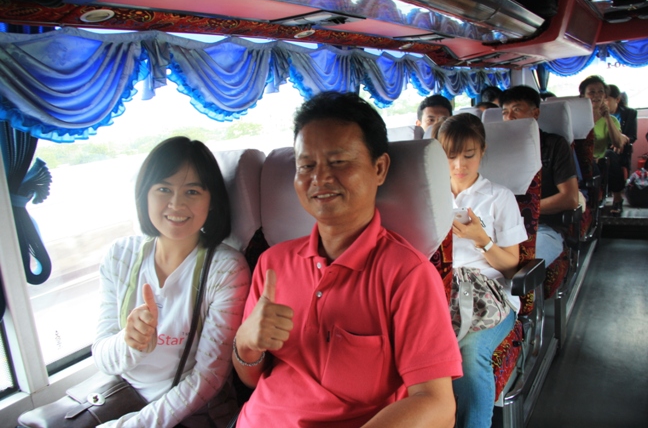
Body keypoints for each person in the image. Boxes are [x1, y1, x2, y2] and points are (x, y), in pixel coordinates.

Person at [233, 92, 462, 427]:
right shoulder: (273, 264)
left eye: (338, 161)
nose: (320, 178)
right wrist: (246, 342)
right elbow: (251, 379)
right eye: (306, 166)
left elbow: (437, 404)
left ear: (379, 168)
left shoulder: (407, 274)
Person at [93, 137, 251, 428]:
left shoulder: (226, 269)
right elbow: (102, 357)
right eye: (163, 189)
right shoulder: (119, 255)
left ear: (211, 201)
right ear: (145, 194)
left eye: (192, 191)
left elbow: (208, 378)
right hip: (122, 397)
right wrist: (130, 342)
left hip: (189, 413)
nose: (176, 204)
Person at [437, 113, 527, 428]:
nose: (458, 164)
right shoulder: (429, 196)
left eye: (468, 155)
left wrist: (481, 240)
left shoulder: (499, 197)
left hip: (489, 295)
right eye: (450, 156)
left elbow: (513, 266)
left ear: (483, 151)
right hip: (439, 288)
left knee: (469, 353)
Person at [500, 85, 579, 266]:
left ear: (535, 113)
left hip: (543, 227)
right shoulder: (495, 149)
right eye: (505, 112)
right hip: (501, 229)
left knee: (521, 268)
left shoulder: (555, 145)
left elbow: (570, 198)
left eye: (516, 110)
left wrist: (523, 211)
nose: (509, 117)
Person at [578, 75, 629, 217]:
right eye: (592, 92)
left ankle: (616, 198)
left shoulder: (611, 120)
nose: (597, 95)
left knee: (610, 155)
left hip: (599, 161)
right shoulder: (576, 117)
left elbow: (618, 143)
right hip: (578, 160)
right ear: (583, 96)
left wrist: (607, 117)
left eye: (600, 91)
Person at [607, 84, 638, 180]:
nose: (603, 102)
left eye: (607, 99)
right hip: (603, 147)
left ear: (617, 99)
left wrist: (622, 138)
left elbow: (632, 136)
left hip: (620, 150)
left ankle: (617, 186)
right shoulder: (597, 113)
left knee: (611, 153)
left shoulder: (630, 113)